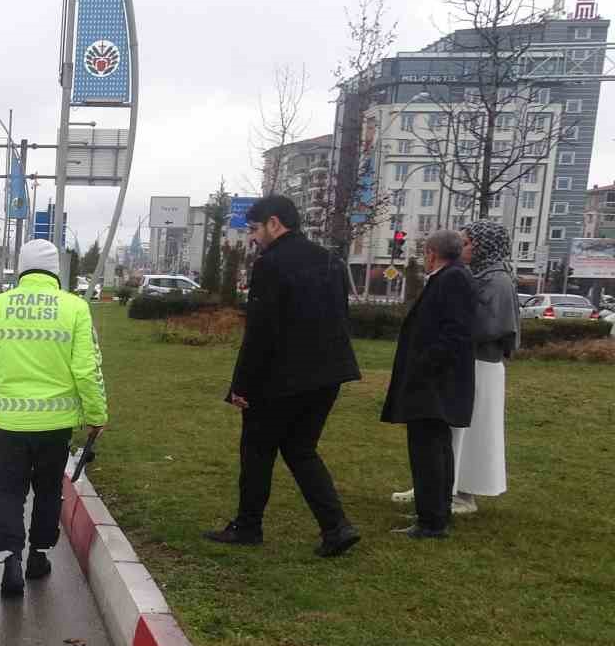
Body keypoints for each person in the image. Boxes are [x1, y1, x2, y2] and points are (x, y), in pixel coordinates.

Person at [206, 194, 363, 557]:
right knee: (301, 449)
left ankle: (248, 526)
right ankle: (336, 527)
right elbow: (340, 317)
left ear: (274, 223)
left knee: (257, 451)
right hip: (328, 374)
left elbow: (261, 331)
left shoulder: (271, 264)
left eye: (255, 229)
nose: (253, 237)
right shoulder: (331, 260)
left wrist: (241, 386)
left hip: (281, 377)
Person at [0, 239, 108, 595]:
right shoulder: (75, 308)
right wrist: (96, 414)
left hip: (11, 423)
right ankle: (38, 556)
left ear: (21, 268)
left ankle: (10, 559)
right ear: (55, 271)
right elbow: (87, 368)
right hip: (55, 426)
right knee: (48, 491)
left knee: (9, 490)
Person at [391, 221, 518, 515]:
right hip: (465, 361)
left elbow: (492, 326)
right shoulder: (474, 275)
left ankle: (461, 492)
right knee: (444, 430)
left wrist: (448, 327)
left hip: (481, 364)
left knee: (469, 433)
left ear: (485, 246)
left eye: (468, 242)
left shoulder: (498, 280)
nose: (463, 248)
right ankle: (435, 487)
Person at [382, 229, 476, 539]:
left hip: (434, 382)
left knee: (428, 451)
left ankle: (431, 520)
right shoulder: (451, 277)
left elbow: (455, 333)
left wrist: (423, 365)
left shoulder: (452, 279)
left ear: (432, 253)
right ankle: (435, 511)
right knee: (436, 448)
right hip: (436, 381)